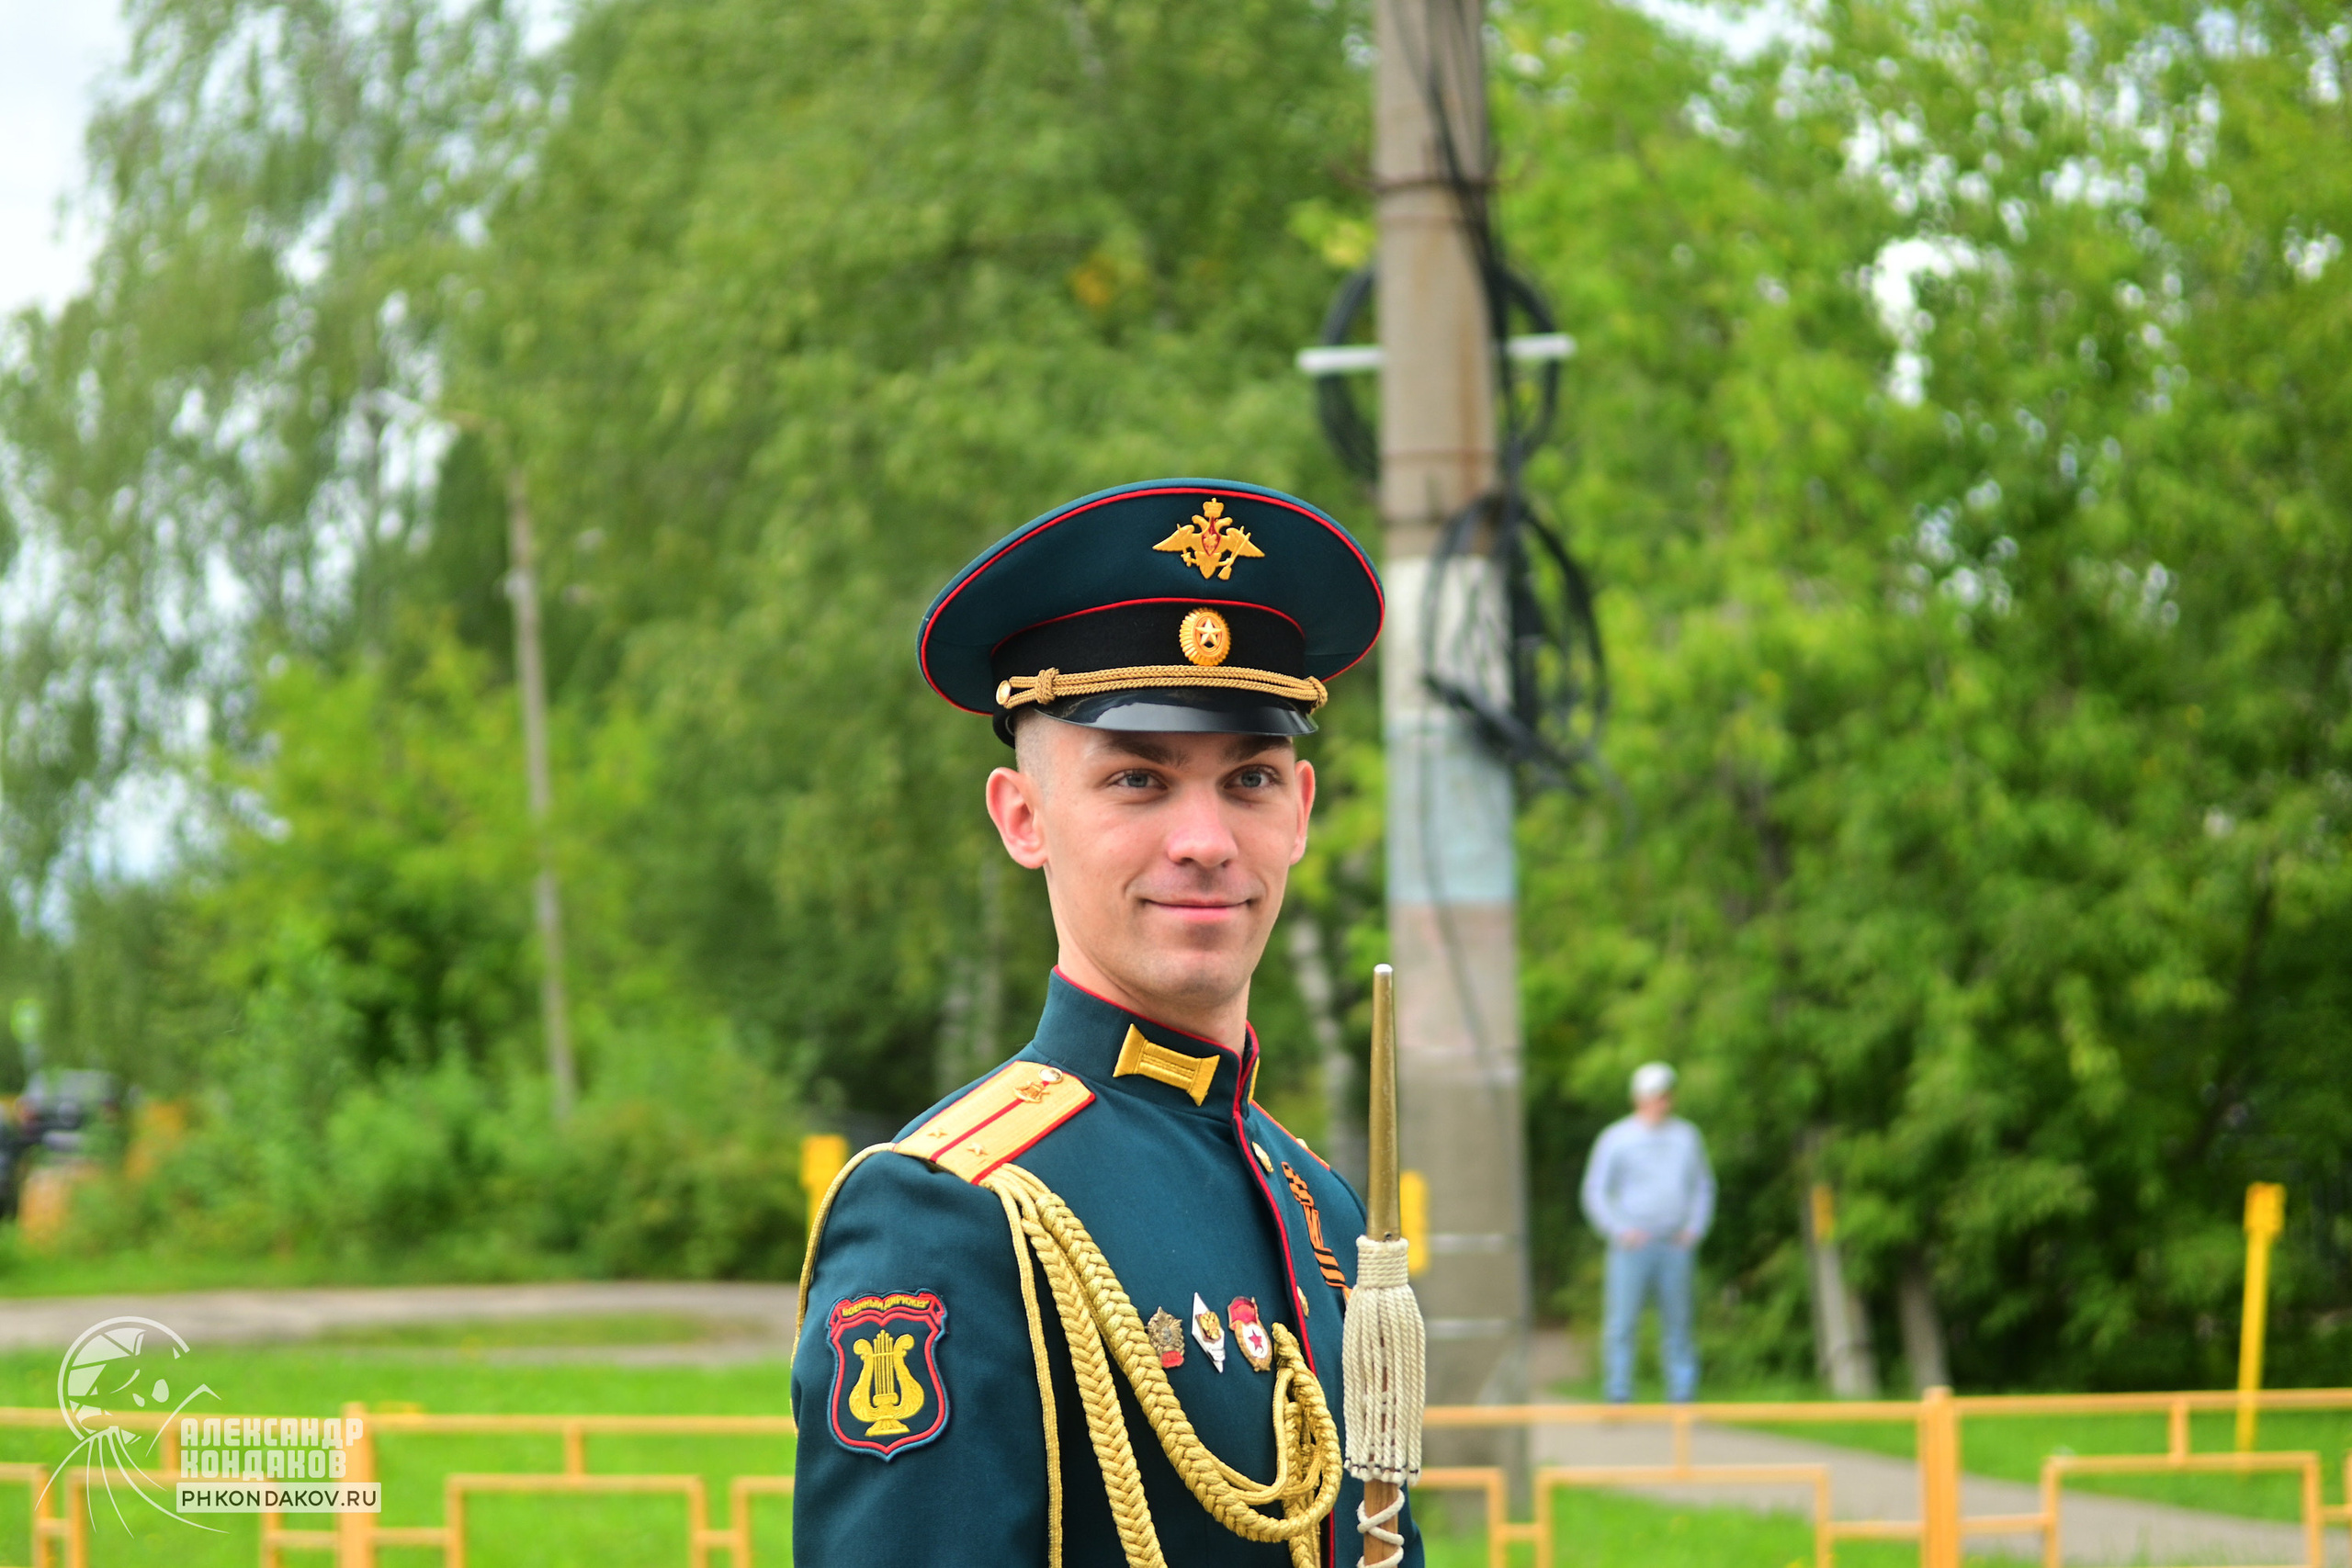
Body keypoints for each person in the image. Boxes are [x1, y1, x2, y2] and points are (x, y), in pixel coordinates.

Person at [792, 479, 1423, 1567]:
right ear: (1023, 818)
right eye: (1138, 778)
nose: (1204, 839)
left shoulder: (1319, 1205)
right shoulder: (947, 1214)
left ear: (1302, 813)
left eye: (1251, 779)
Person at [1579, 1061, 1715, 1404]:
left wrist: (1694, 1229)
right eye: (1654, 1096)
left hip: (1675, 1243)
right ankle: (1619, 1393)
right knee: (1622, 1324)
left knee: (1679, 1324)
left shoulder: (1686, 1136)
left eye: (1666, 1096)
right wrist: (1618, 1230)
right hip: (1632, 1245)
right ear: (1638, 1098)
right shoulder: (1616, 1138)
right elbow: (1595, 1190)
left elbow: (1702, 1186)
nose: (1661, 1103)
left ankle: (1683, 1394)